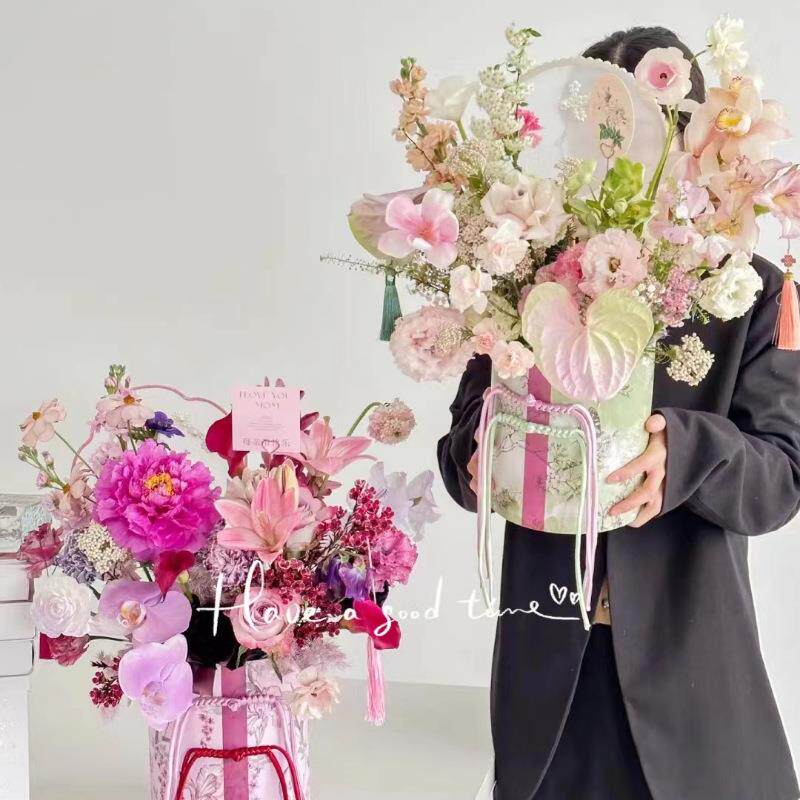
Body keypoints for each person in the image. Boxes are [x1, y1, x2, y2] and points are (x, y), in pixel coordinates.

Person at [438, 26, 800, 800]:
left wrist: (686, 451)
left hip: (693, 682)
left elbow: (780, 480)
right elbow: (462, 439)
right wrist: (484, 452)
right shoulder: (524, 276)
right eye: (598, 125)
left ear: (691, 141)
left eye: (640, 127)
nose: (616, 148)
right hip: (547, 685)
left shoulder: (750, 290)